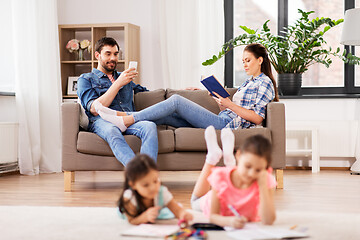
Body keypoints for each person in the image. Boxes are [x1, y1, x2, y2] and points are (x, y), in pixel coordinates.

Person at [95, 43, 279, 132]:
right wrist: (220, 99)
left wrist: (229, 104)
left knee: (175, 100)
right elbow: (230, 109)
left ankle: (126, 120)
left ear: (260, 60)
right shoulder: (248, 82)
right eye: (243, 61)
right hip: (222, 118)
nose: (245, 65)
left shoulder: (264, 83)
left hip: (226, 126)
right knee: (166, 114)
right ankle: (122, 117)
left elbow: (256, 118)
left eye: (248, 61)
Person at [77, 37, 158, 166]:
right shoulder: (86, 79)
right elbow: (94, 109)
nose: (113, 58)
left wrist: (180, 91)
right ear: (97, 55)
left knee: (149, 126)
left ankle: (149, 171)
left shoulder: (123, 77)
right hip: (103, 121)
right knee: (112, 130)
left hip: (127, 118)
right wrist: (118, 83)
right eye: (108, 54)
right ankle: (139, 174)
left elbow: (149, 93)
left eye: (115, 54)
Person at [190, 126, 276, 228]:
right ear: (238, 154)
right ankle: (212, 158)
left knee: (234, 175)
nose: (251, 174)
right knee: (195, 201)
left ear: (266, 168)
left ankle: (228, 161)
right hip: (213, 197)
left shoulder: (265, 179)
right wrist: (229, 221)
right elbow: (213, 217)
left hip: (228, 189)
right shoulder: (220, 177)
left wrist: (263, 186)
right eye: (248, 166)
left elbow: (268, 221)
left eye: (258, 170)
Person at [118, 154, 193, 225]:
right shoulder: (130, 197)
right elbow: (131, 220)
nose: (152, 188)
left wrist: (183, 214)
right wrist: (144, 217)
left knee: (170, 210)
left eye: (155, 181)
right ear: (133, 185)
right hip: (132, 214)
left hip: (153, 212)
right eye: (145, 185)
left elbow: (177, 210)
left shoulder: (162, 191)